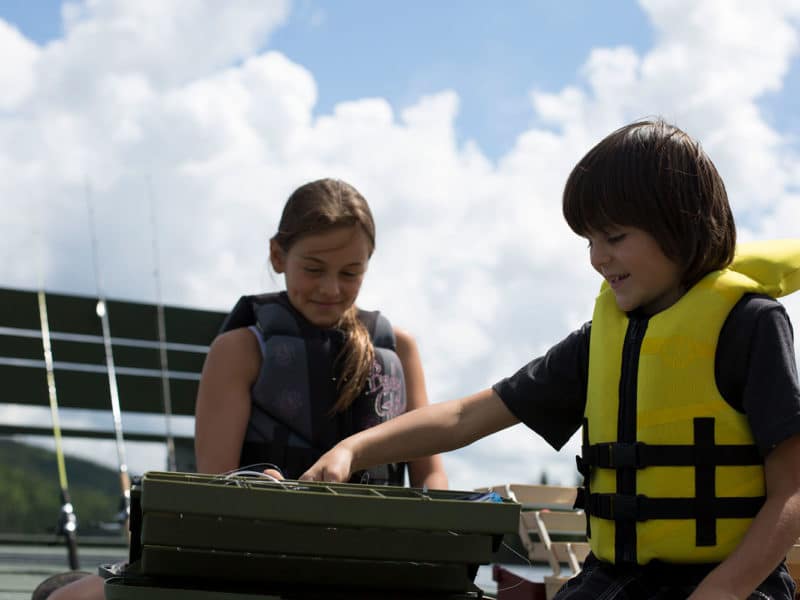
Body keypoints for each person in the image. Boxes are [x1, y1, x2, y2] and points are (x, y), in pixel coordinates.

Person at [301, 120, 800, 600]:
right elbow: (465, 417)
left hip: (738, 579)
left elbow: (792, 489)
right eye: (589, 241)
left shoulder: (750, 325)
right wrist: (353, 450)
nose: (596, 258)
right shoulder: (600, 342)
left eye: (615, 237)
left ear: (680, 225)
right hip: (619, 578)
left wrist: (725, 589)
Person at [40, 178, 447, 600]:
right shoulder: (240, 349)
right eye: (313, 269)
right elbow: (216, 480)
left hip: (373, 561)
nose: (331, 288)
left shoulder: (401, 349)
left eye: (351, 273)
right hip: (254, 556)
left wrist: (439, 543)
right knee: (63, 599)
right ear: (278, 255)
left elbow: (430, 471)